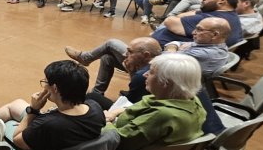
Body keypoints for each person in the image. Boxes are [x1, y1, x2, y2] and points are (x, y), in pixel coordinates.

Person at [66, 16, 231, 98]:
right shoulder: (207, 45)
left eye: (200, 30)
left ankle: (86, 58)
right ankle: (97, 93)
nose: (194, 32)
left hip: (163, 76)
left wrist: (173, 48)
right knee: (108, 57)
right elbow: (174, 43)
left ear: (215, 34)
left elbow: (166, 58)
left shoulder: (205, 53)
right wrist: (175, 47)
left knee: (111, 43)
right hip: (163, 66)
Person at [0, 60, 105, 150]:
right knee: (16, 104)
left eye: (46, 82)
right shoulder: (95, 108)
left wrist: (33, 110)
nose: (44, 86)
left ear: (55, 88)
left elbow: (17, 140)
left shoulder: (48, 124)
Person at [106, 53, 206, 150]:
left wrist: (106, 123)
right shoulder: (192, 100)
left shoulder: (163, 115)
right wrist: (117, 111)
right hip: (138, 140)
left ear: (166, 83)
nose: (145, 74)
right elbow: (146, 105)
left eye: (152, 72)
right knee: (95, 100)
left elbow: (118, 141)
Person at [151, 0, 243, 46]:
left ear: (222, 0)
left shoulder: (209, 21)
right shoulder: (231, 15)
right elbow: (182, 15)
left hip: (171, 59)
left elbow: (170, 21)